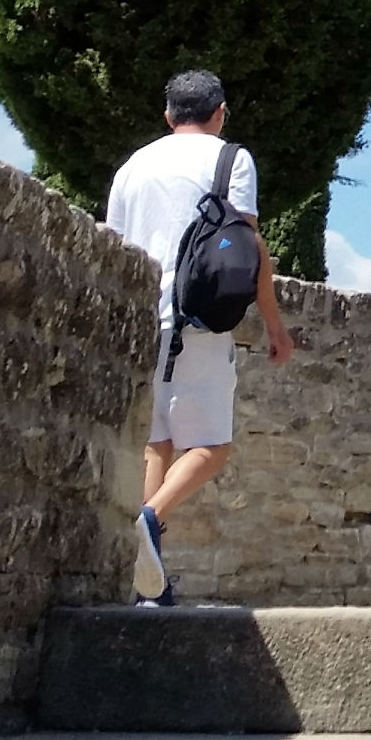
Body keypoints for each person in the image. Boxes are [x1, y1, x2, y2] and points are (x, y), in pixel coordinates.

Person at [101, 68, 294, 604]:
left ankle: (148, 585)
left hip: (141, 317)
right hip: (199, 319)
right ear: (220, 112)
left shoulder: (132, 167)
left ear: (167, 115)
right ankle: (148, 518)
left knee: (156, 441)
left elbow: (115, 245)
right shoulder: (230, 159)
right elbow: (248, 247)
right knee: (211, 445)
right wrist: (274, 326)